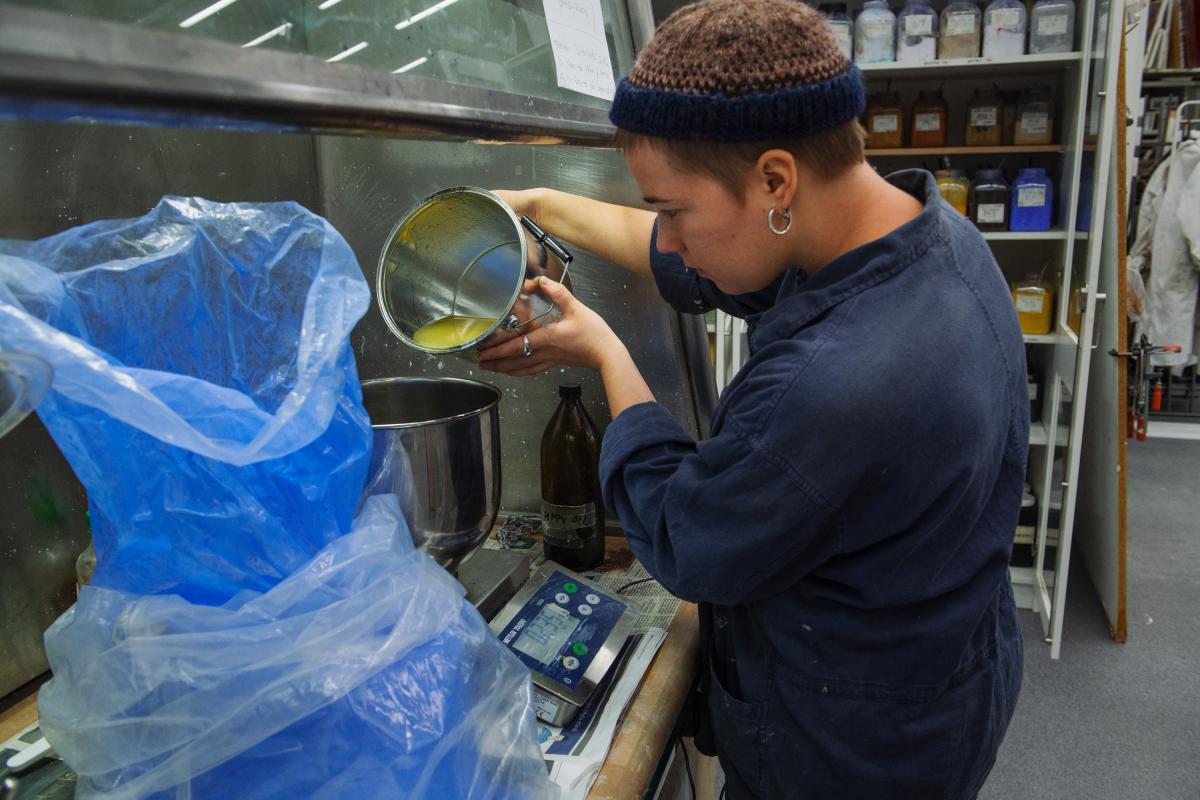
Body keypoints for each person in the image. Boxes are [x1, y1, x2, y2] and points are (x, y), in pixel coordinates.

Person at [478, 1, 1026, 797]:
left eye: (672, 210)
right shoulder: (920, 234)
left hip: (848, 756)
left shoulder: (835, 384)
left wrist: (604, 349)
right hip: (939, 679)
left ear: (776, 178)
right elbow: (697, 259)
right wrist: (538, 206)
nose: (664, 239)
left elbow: (687, 534)